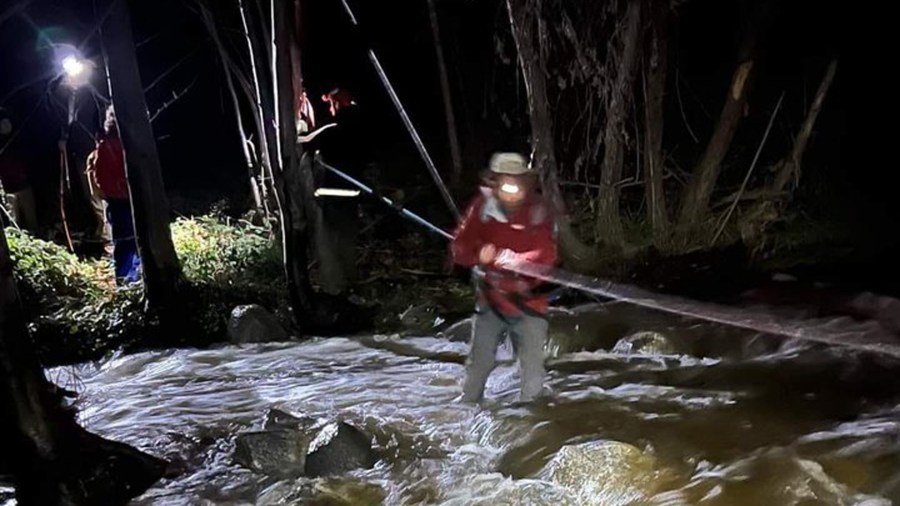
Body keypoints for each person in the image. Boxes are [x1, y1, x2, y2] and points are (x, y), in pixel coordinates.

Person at [450, 152, 558, 403]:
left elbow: (546, 256)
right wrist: (479, 254)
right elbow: (459, 249)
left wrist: (512, 258)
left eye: (516, 182)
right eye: (504, 182)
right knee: (479, 365)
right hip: (491, 302)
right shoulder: (482, 207)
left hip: (530, 304)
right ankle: (467, 415)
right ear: (494, 183)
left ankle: (530, 421)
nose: (511, 189)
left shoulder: (539, 209)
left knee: (532, 371)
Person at [87, 106, 140, 285]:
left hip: (118, 201)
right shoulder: (124, 147)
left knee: (127, 241)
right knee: (129, 241)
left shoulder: (108, 146)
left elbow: (98, 177)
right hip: (123, 201)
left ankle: (129, 279)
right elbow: (100, 176)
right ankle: (127, 280)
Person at [0, 112, 39, 233]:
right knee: (14, 223)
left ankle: (34, 238)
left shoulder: (16, 139)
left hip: (22, 182)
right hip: (8, 187)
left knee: (31, 222)